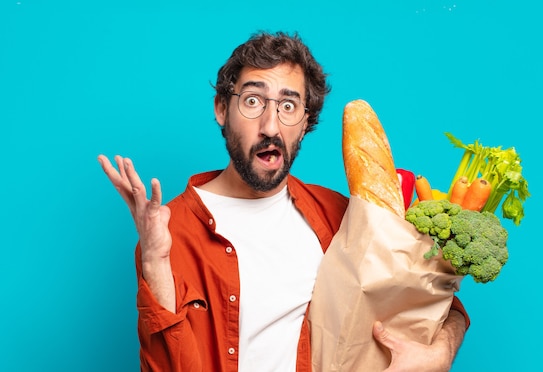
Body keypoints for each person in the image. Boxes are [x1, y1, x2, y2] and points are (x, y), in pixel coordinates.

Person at [97, 31, 470, 372]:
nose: (271, 126)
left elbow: (430, 300)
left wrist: (440, 352)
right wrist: (155, 260)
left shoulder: (341, 215)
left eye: (289, 106)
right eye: (253, 100)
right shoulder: (169, 230)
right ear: (221, 109)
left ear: (306, 122)